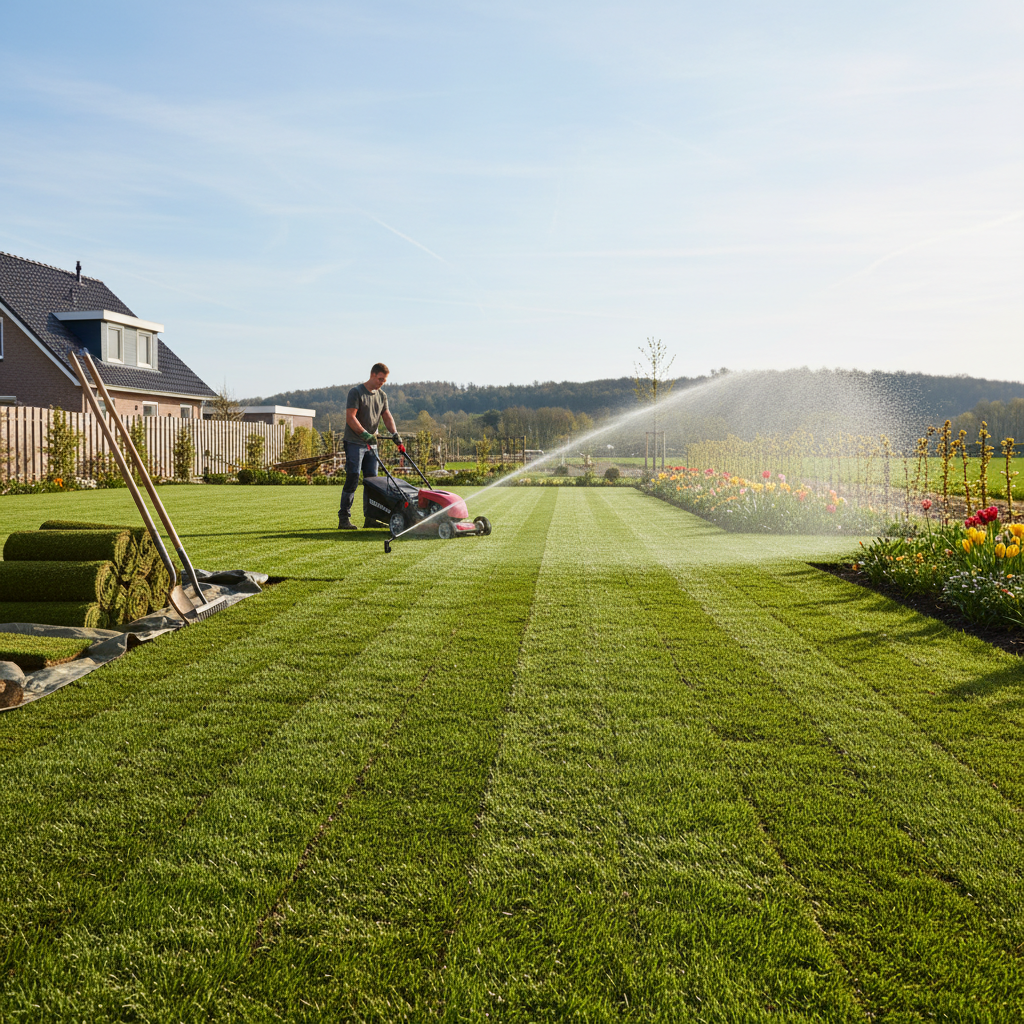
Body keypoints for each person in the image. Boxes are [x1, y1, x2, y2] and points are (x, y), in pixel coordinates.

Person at [338, 363, 402, 529]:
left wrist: (395, 434)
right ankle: (344, 518)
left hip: (371, 445)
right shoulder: (356, 392)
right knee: (353, 478)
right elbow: (350, 417)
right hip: (354, 441)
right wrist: (364, 433)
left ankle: (371, 518)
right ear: (373, 375)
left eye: (384, 380)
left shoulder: (382, 396)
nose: (382, 383)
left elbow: (386, 416)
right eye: (380, 379)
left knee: (372, 482)